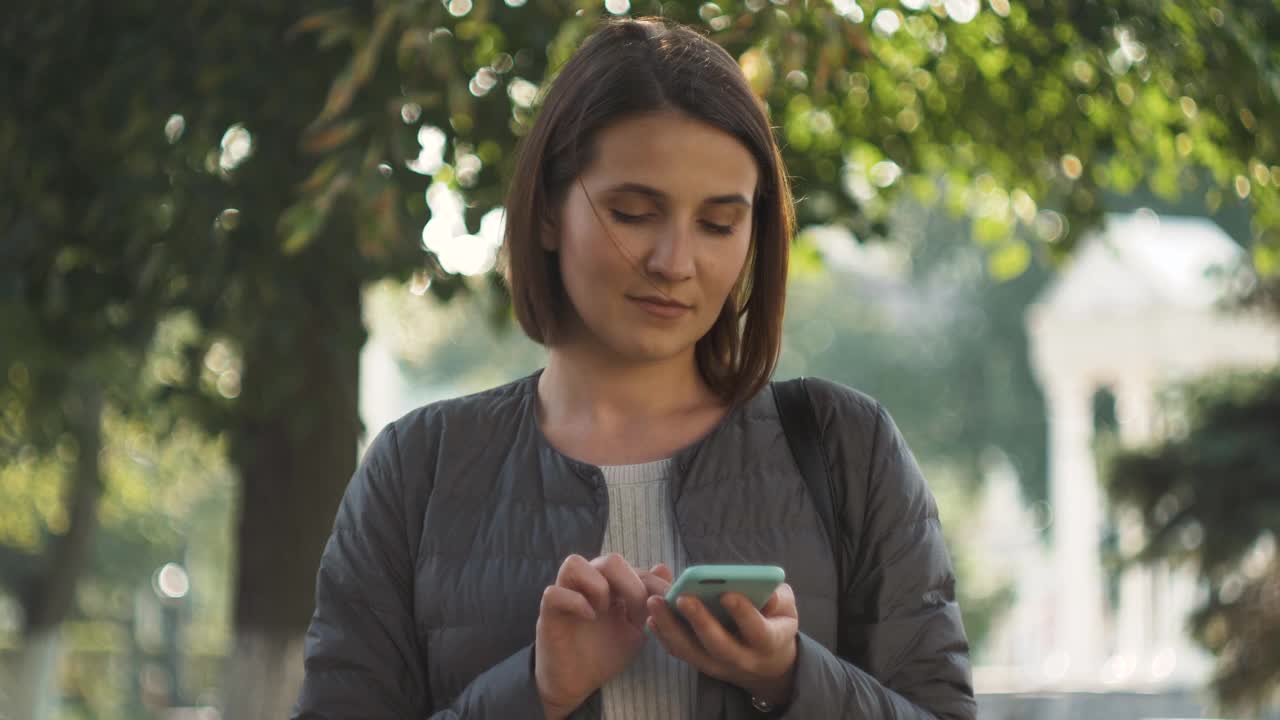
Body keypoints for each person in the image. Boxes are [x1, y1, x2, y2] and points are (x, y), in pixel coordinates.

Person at [293, 16, 975, 720]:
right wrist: (538, 690)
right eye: (633, 212)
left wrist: (791, 678)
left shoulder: (846, 448)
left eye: (718, 224)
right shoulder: (418, 470)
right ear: (551, 210)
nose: (674, 262)